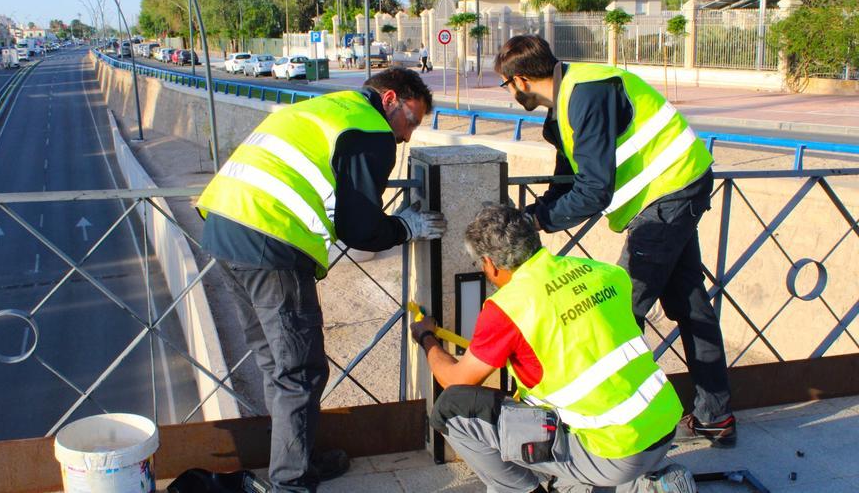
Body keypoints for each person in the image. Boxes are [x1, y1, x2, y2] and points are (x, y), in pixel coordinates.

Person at [196, 67, 446, 493]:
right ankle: (291, 483)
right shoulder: (369, 129)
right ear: (389, 100)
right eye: (411, 121)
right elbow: (359, 228)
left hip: (223, 228)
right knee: (300, 370)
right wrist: (406, 228)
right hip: (270, 242)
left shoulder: (326, 107)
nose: (407, 137)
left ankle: (298, 459)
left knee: (276, 363)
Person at [494, 35, 735, 449]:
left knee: (617, 311)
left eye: (506, 85)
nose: (509, 94)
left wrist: (537, 221)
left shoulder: (586, 94)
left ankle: (622, 427)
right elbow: (567, 179)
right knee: (691, 307)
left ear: (519, 80)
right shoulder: (568, 98)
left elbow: (593, 192)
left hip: (669, 192)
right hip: (673, 188)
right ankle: (716, 416)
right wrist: (534, 212)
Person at [412, 205, 697, 493]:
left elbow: (455, 380)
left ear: (490, 263)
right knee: (559, 462)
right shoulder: (605, 274)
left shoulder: (509, 308)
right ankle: (652, 484)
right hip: (662, 425)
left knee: (452, 410)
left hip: (615, 451)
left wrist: (427, 337)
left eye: (481, 266)